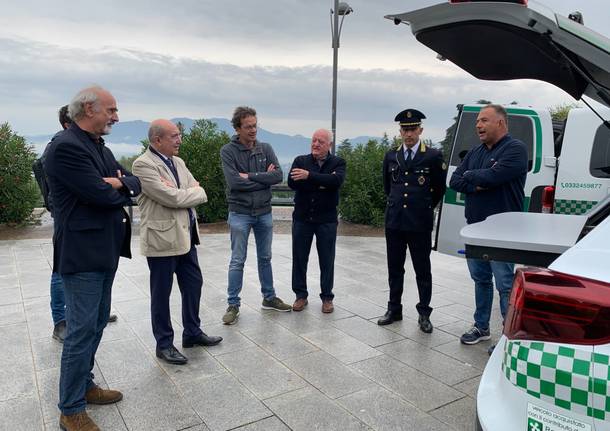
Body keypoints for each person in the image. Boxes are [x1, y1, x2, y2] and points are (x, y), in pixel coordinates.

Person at [44, 86, 141, 431]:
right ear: (89, 108)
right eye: (111, 110)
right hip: (82, 254)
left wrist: (117, 183)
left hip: (104, 250)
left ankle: (84, 386)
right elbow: (102, 195)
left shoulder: (99, 146)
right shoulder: (66, 147)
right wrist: (115, 186)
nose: (116, 117)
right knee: (81, 331)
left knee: (96, 324)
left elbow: (135, 183)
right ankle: (70, 409)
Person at [132, 119, 222, 365]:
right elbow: (170, 197)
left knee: (194, 283)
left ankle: (192, 332)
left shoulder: (178, 162)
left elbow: (198, 190)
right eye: (174, 136)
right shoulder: (142, 165)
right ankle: (164, 344)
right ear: (157, 140)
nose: (179, 140)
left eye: (179, 135)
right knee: (161, 293)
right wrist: (188, 193)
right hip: (161, 240)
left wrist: (189, 193)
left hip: (186, 237)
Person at [37, 106, 118, 343]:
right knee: (60, 271)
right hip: (69, 221)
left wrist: (115, 185)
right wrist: (107, 187)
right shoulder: (60, 146)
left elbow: (114, 181)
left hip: (87, 223)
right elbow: (93, 189)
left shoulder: (91, 146)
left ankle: (83, 313)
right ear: (69, 123)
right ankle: (60, 321)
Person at [449, 104, 528, 345]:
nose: (478, 125)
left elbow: (493, 177)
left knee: (505, 283)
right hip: (475, 229)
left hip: (502, 232)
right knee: (480, 279)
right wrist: (480, 179)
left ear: (501, 123)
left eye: (484, 120)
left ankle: (508, 335)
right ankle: (481, 327)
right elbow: (454, 181)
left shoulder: (516, 149)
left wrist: (474, 176)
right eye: (477, 122)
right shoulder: (475, 151)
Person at [220, 106, 292, 325]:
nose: (253, 130)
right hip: (240, 213)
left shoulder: (265, 148)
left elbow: (278, 176)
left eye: (255, 125)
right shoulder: (228, 151)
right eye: (248, 127)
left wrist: (249, 176)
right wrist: (263, 178)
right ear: (237, 128)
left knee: (265, 258)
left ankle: (269, 298)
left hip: (264, 213)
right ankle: (233, 304)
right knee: (237, 260)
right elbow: (234, 182)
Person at [377, 109, 447, 333]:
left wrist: (423, 206)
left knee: (422, 270)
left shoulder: (433, 156)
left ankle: (424, 313)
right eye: (405, 130)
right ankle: (394, 309)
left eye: (413, 129)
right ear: (400, 131)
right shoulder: (391, 156)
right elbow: (388, 187)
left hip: (419, 222)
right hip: (395, 221)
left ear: (420, 130)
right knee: (395, 268)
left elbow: (438, 189)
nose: (409, 134)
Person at [288, 129, 346, 313]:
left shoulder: (338, 162)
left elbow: (336, 181)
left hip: (326, 220)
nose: (316, 144)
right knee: (299, 258)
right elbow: (292, 183)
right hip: (302, 218)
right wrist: (321, 182)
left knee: (327, 259)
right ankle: (300, 295)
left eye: (321, 141)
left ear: (329, 144)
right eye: (313, 140)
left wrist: (309, 177)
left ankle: (327, 297)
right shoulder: (300, 160)